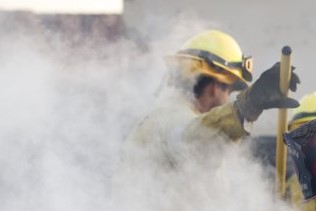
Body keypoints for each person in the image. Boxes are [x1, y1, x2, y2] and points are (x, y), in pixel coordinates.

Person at [120, 29, 299, 175]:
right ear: (214, 86)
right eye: (229, 90)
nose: (228, 99)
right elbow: (193, 140)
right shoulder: (170, 119)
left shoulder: (166, 116)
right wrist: (248, 105)